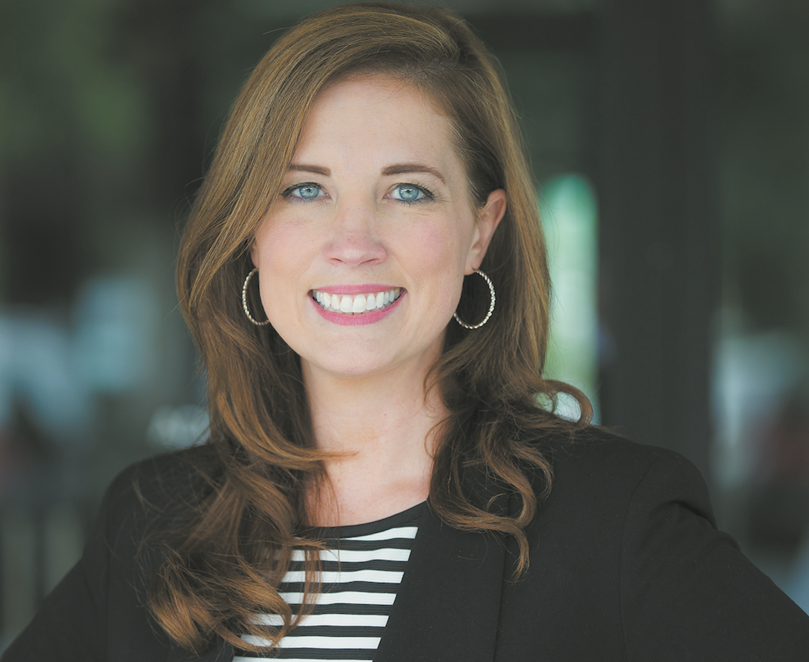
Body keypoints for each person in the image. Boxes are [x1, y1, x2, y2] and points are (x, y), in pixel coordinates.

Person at [4, 3, 809, 661]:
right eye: (303, 190)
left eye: (410, 192)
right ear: (250, 232)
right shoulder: (151, 520)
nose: (352, 241)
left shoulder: (611, 518)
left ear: (478, 233)